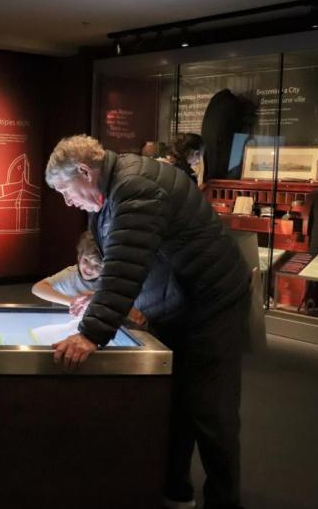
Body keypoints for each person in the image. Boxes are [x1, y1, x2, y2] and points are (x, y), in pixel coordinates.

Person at [45, 134, 250, 509]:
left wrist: (91, 334)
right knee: (176, 399)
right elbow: (128, 258)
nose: (67, 201)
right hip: (178, 298)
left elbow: (126, 263)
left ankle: (223, 501)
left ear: (85, 171)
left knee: (210, 408)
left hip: (211, 302)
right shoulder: (113, 189)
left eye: (65, 190)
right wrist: (100, 297)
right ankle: (175, 490)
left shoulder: (135, 186)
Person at [33, 231, 148, 327]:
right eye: (86, 260)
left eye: (97, 266)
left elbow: (138, 317)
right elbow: (37, 288)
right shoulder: (71, 274)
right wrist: (72, 302)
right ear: (79, 257)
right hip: (65, 323)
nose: (89, 268)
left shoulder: (113, 281)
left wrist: (103, 300)